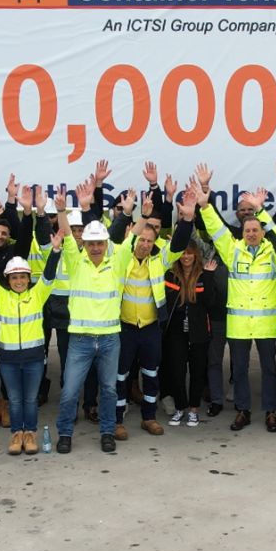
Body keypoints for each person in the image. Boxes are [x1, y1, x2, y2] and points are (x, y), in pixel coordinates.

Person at [52, 183, 146, 454]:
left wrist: (140, 215)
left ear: (106, 245)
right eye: (91, 243)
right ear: (85, 243)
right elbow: (67, 236)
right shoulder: (75, 261)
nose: (95, 248)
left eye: (99, 243)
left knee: (108, 390)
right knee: (70, 391)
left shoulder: (116, 263)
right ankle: (65, 434)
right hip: (80, 340)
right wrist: (61, 211)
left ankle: (107, 432)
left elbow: (132, 237)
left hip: (108, 340)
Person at [0, 185, 62, 454]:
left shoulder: (38, 294)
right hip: (9, 359)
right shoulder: (1, 296)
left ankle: (30, 434)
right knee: (15, 399)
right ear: (8, 279)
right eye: (15, 277)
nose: (19, 281)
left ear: (28, 278)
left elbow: (49, 276)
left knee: (30, 400)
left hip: (33, 358)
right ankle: (15, 435)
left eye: (23, 277)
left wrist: (55, 253)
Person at [197, 165, 276, 433]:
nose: (251, 234)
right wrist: (205, 204)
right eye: (247, 230)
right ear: (242, 232)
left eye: (256, 230)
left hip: (265, 325)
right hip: (238, 326)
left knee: (269, 370)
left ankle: (270, 412)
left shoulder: (273, 252)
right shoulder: (232, 250)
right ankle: (243, 411)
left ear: (262, 231)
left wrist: (261, 211)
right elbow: (216, 228)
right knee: (240, 370)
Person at [111, 187, 194, 439]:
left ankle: (149, 417)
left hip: (150, 328)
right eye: (142, 240)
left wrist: (187, 219)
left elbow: (178, 245)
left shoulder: (159, 260)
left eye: (150, 241)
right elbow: (117, 239)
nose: (145, 244)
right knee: (121, 375)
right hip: (124, 327)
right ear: (134, 240)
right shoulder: (121, 259)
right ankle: (117, 420)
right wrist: (139, 216)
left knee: (151, 374)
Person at [162, 240, 217, 429]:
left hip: (199, 331)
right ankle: (180, 407)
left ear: (196, 255)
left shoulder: (203, 274)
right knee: (177, 371)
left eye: (190, 253)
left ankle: (193, 409)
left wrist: (208, 276)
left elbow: (210, 301)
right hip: (176, 331)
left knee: (197, 372)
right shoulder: (170, 274)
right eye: (183, 253)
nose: (186, 257)